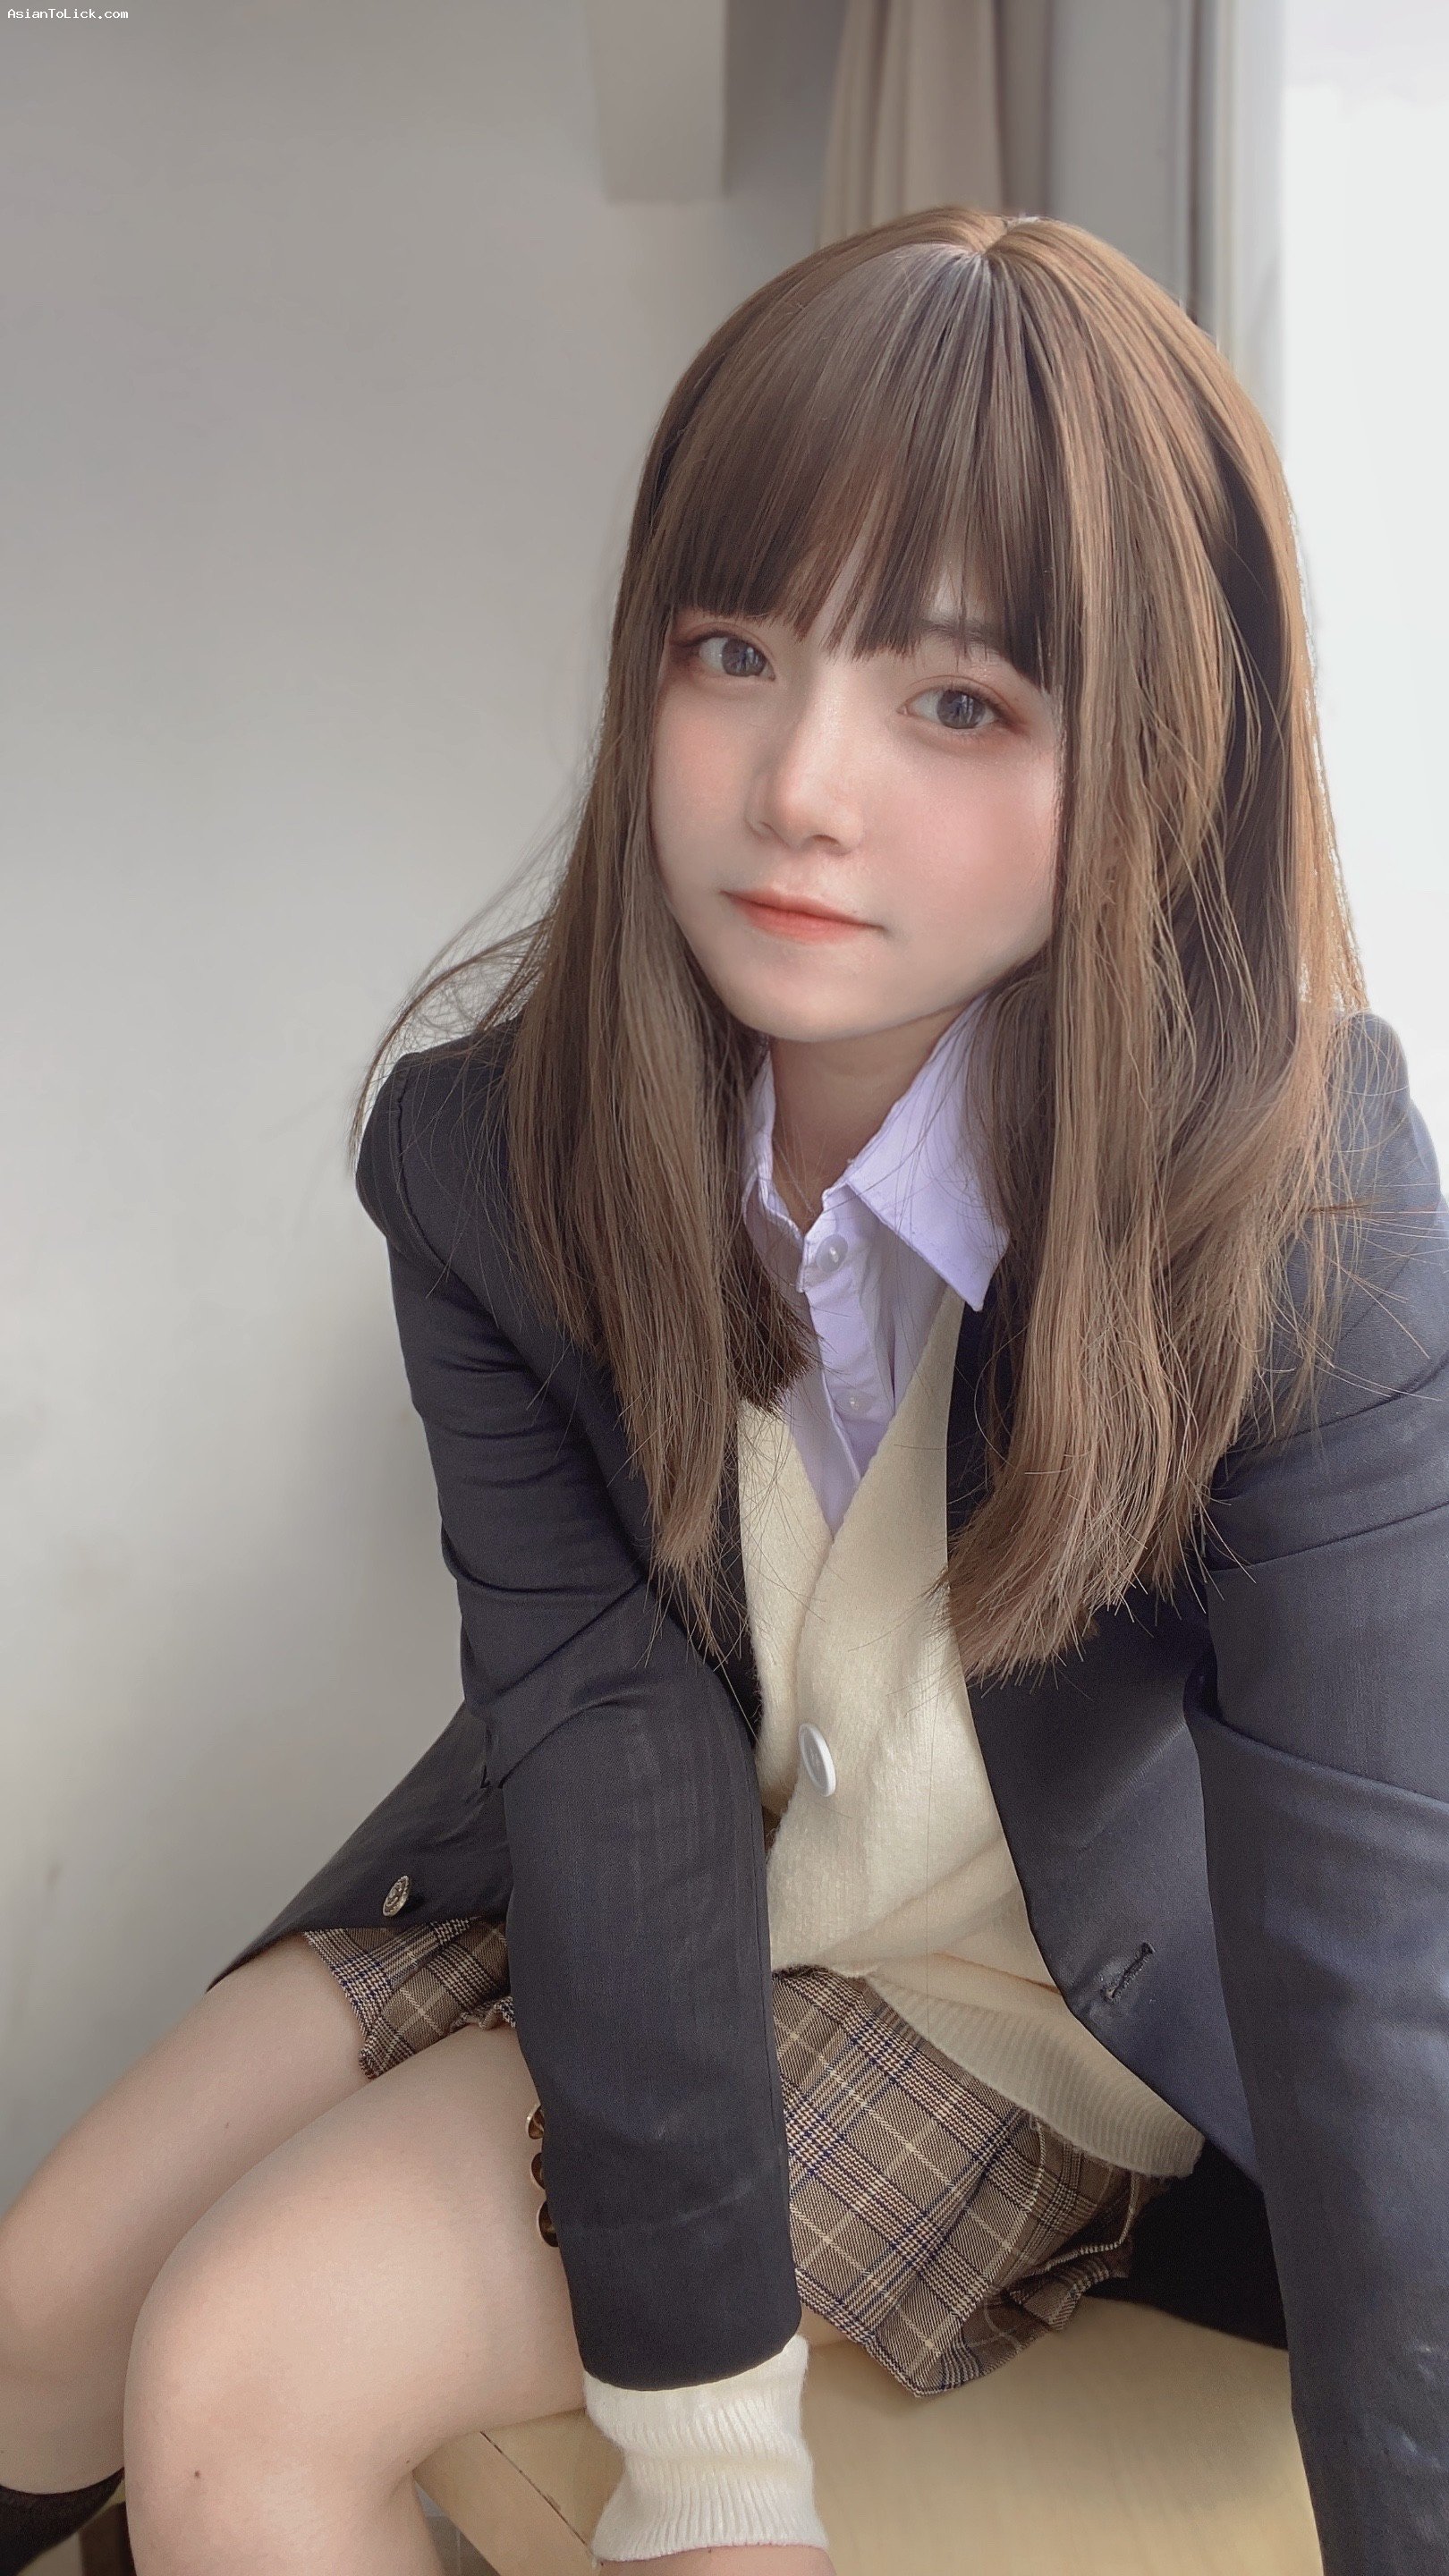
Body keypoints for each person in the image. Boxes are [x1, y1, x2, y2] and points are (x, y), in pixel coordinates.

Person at [2, 202, 1445, 2576]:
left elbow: (1379, 1952)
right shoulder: (487, 1157)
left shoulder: (1300, 1205)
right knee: (41, 2307)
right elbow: (608, 1743)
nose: (797, 785)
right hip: (636, 1839)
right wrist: (706, 2458)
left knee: (244, 2369)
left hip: (999, 1979)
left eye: (957, 701)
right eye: (734, 651)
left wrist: (710, 2474)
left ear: (1157, 752)